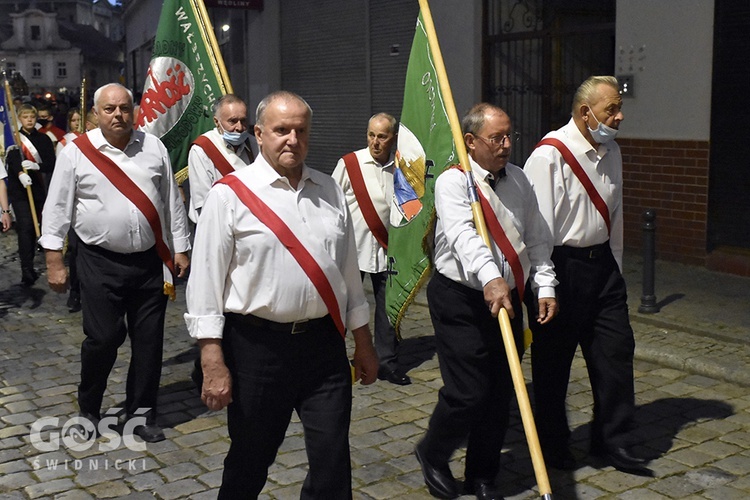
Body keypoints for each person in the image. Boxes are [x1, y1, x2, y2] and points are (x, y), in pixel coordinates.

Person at [185, 90, 379, 499]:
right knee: (251, 458)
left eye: (301, 131)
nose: (292, 139)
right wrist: (212, 359)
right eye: (281, 130)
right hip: (257, 350)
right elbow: (205, 283)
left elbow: (347, 275)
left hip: (323, 349)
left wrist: (363, 342)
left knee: (331, 461)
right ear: (258, 133)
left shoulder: (329, 191)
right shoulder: (229, 195)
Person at [415, 103, 558, 499]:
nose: (507, 145)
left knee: (500, 390)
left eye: (510, 135)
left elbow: (537, 237)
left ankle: (482, 474)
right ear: (470, 141)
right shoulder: (452, 183)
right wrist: (491, 277)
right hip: (459, 297)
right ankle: (433, 450)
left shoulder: (519, 181)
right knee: (468, 391)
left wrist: (543, 285)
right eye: (497, 138)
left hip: (506, 298)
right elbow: (464, 238)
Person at [40, 83, 191, 443]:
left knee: (149, 342)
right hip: (98, 262)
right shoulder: (77, 152)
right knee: (103, 339)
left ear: (134, 110)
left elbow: (171, 200)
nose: (118, 115)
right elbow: (57, 208)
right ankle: (89, 409)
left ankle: (141, 414)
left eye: (124, 108)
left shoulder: (153, 147)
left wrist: (181, 247)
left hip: (149, 262)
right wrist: (53, 260)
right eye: (109, 109)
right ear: (96, 113)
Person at [523, 75, 651, 475]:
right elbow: (537, 232)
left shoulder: (611, 151)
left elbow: (615, 217)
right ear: (585, 113)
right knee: (553, 365)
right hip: (560, 268)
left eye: (618, 107)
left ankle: (613, 440)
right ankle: (552, 446)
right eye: (611, 108)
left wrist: (616, 267)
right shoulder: (549, 157)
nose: (619, 115)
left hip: (602, 270)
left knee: (615, 353)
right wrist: (545, 285)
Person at [331, 113, 410, 386]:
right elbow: (331, 204)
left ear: (393, 138)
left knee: (389, 309)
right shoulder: (349, 163)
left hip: (388, 249)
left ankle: (387, 362)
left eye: (382, 136)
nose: (375, 142)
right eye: (371, 135)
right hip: (353, 251)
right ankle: (334, 359)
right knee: (341, 306)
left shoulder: (402, 166)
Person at [5, 104, 55, 286]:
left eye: (32, 117)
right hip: (20, 191)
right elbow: (12, 160)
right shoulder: (16, 140)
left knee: (37, 227)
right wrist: (20, 173)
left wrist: (37, 167)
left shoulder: (44, 139)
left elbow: (51, 163)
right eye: (25, 117)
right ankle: (26, 268)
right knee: (25, 227)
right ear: (20, 119)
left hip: (37, 189)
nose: (29, 120)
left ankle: (35, 260)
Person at [187, 93, 254, 223]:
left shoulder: (255, 144)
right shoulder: (202, 149)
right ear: (217, 122)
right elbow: (205, 204)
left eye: (243, 121)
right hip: (217, 224)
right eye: (233, 121)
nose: (239, 128)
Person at [56, 108, 85, 312]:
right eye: (73, 120)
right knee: (75, 252)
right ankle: (75, 292)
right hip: (75, 205)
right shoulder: (66, 143)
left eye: (79, 120)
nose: (76, 123)